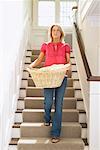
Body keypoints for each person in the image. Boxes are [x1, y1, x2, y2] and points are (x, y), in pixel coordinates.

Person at [28, 24, 71, 143]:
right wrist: (31, 66)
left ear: (61, 33)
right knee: (48, 102)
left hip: (61, 77)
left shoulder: (65, 46)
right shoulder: (45, 45)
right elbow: (39, 59)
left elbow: (68, 61)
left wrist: (68, 68)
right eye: (54, 30)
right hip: (48, 77)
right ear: (51, 32)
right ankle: (47, 117)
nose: (56, 32)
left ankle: (55, 134)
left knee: (59, 105)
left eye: (58, 30)